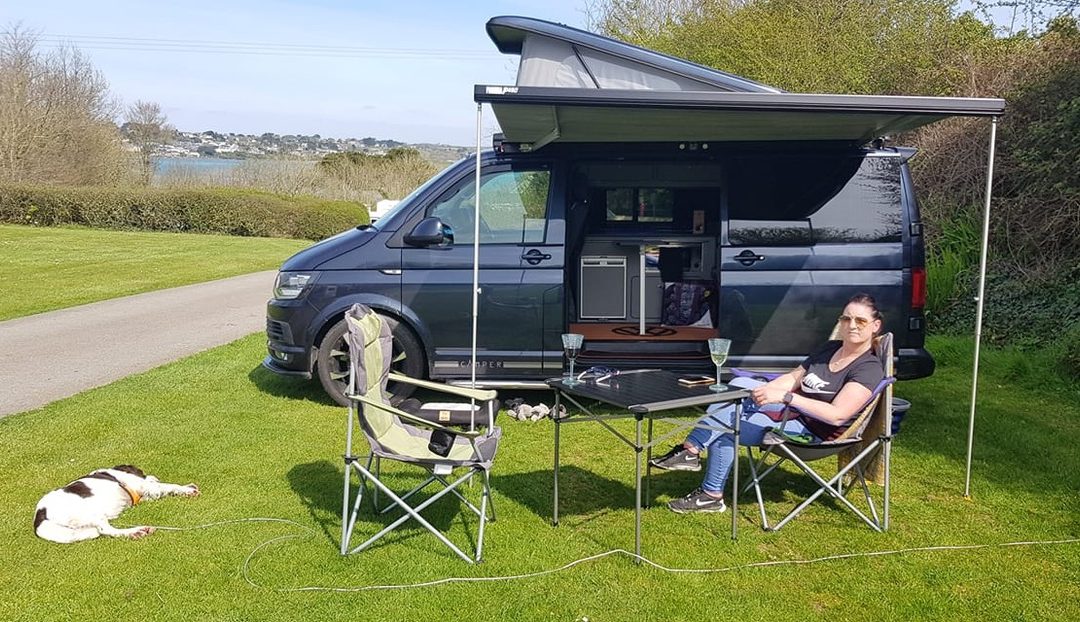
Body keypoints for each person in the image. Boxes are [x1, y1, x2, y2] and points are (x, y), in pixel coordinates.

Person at [650, 293, 886, 514]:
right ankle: (694, 458)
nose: (851, 325)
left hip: (813, 433)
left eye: (860, 321)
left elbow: (837, 415)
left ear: (875, 326)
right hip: (792, 414)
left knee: (726, 426)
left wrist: (786, 397)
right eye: (846, 318)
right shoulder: (830, 348)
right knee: (741, 384)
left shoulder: (867, 369)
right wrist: (767, 391)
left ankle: (700, 472)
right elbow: (794, 378)